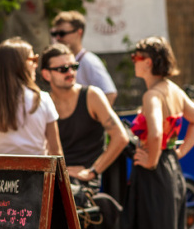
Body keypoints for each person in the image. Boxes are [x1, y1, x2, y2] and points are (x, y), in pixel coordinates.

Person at [118, 36, 194, 229]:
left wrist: (153, 159)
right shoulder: (173, 89)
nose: (134, 61)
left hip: (156, 174)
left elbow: (155, 132)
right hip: (171, 170)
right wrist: (175, 153)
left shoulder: (153, 94)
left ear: (149, 62)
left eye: (136, 57)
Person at [39, 43, 128, 184]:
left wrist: (93, 171)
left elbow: (121, 137)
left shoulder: (92, 95)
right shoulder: (44, 101)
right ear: (46, 74)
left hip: (85, 183)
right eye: (63, 69)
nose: (70, 73)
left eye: (74, 67)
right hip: (56, 178)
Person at [0, 38, 62, 156]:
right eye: (33, 59)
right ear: (19, 64)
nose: (35, 65)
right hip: (38, 171)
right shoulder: (43, 99)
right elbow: (56, 152)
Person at [51, 11, 117, 106]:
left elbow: (110, 93)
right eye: (55, 34)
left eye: (62, 33)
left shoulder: (89, 61)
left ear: (79, 32)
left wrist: (95, 117)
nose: (58, 38)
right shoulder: (66, 60)